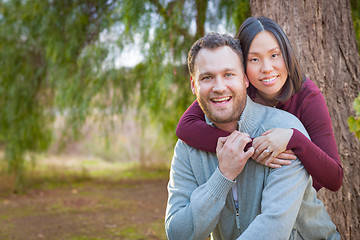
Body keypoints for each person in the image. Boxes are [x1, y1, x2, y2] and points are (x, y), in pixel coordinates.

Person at [165, 32, 340, 240]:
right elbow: (177, 234)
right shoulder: (187, 147)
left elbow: (273, 228)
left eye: (229, 74)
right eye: (207, 77)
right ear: (194, 85)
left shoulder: (283, 130)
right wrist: (223, 175)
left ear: (246, 80)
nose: (219, 87)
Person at [176, 16, 343, 192]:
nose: (267, 68)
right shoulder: (235, 91)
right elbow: (185, 127)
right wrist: (254, 148)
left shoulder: (307, 96)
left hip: (294, 197)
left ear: (286, 55)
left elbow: (334, 178)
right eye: (254, 59)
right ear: (242, 67)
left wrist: (293, 139)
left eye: (274, 55)